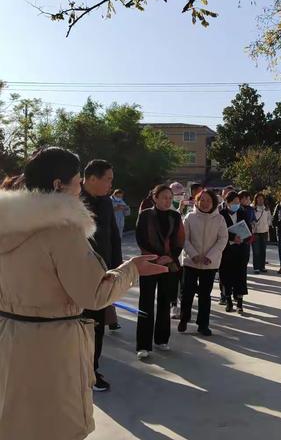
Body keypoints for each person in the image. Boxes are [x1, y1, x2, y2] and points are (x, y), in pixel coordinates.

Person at [0, 147, 167, 440]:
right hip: (51, 344)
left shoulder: (7, 224)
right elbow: (94, 294)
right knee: (56, 424)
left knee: (16, 418)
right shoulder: (61, 230)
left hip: (9, 335)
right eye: (77, 181)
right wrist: (131, 270)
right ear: (58, 185)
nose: (80, 188)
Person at [81, 159, 123, 390]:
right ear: (92, 178)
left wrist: (116, 267)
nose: (110, 184)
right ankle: (80, 371)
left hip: (103, 273)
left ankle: (92, 370)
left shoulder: (106, 202)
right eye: (107, 179)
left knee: (97, 324)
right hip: (78, 275)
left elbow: (114, 236)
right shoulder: (72, 201)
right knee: (80, 325)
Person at [136, 184, 185, 358]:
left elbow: (180, 239)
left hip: (169, 264)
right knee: (146, 303)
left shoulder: (175, 216)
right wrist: (155, 257)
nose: (167, 201)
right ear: (155, 198)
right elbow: (141, 238)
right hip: (149, 263)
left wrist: (170, 257)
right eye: (164, 197)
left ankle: (162, 339)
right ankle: (143, 345)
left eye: (170, 198)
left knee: (165, 302)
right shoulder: (145, 215)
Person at [178, 190, 228, 335]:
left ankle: (203, 324)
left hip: (209, 264)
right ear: (197, 201)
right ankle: (184, 318)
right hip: (190, 262)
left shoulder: (219, 219)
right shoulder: (190, 217)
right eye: (202, 200)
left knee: (205, 295)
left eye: (208, 201)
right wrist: (193, 254)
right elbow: (184, 239)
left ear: (213, 203)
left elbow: (222, 239)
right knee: (187, 293)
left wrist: (210, 256)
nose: (205, 203)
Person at [219, 191, 252, 314]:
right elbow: (219, 232)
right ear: (227, 202)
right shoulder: (221, 214)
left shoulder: (243, 213)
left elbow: (248, 230)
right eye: (234, 202)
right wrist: (232, 238)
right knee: (226, 276)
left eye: (238, 202)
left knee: (240, 276)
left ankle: (239, 303)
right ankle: (228, 301)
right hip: (226, 250)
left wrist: (245, 237)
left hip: (241, 250)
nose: (237, 205)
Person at [252, 192, 272, 274]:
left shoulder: (266, 209)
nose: (260, 200)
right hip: (255, 232)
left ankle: (262, 266)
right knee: (256, 251)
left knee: (263, 250)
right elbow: (252, 220)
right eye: (258, 199)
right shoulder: (253, 208)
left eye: (262, 199)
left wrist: (267, 227)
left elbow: (269, 219)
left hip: (264, 232)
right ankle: (256, 267)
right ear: (256, 200)